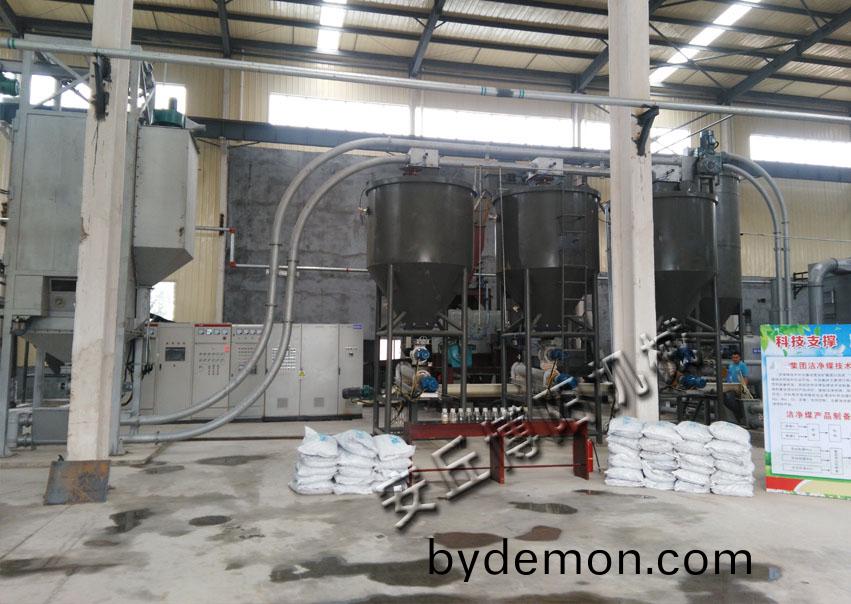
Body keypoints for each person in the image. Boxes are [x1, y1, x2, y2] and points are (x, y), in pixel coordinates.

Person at [723, 351, 749, 423]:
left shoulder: (742, 365)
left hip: (739, 387)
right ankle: (738, 416)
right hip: (731, 386)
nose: (735, 359)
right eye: (733, 357)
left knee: (734, 401)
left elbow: (745, 377)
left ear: (739, 358)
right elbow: (728, 376)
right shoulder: (731, 365)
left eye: (736, 357)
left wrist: (744, 388)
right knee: (726, 399)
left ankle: (740, 416)